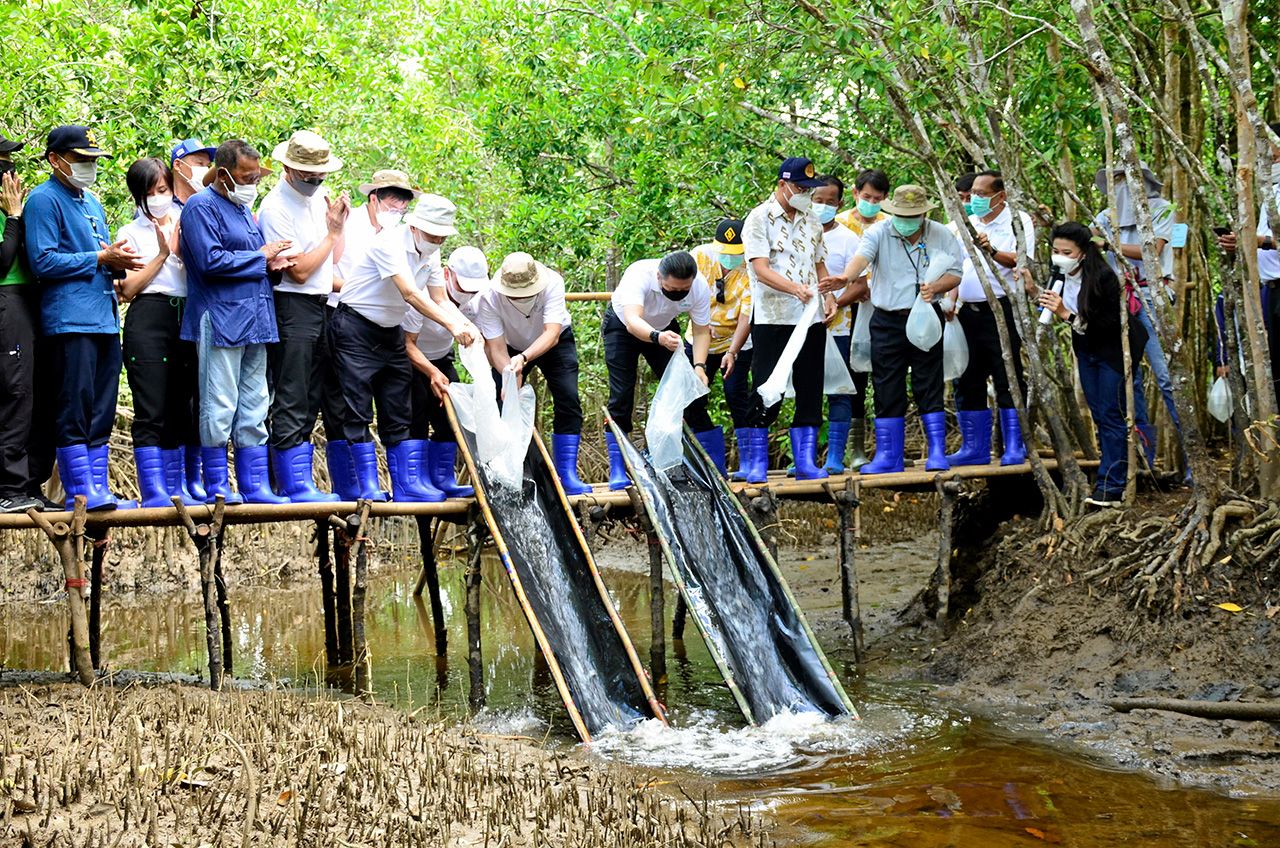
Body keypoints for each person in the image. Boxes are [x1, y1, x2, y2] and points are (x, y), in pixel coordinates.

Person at [25, 125, 144, 510]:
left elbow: (101, 255)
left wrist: (117, 261)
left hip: (104, 319)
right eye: (81, 160)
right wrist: (98, 258)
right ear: (55, 160)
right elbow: (41, 260)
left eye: (93, 160)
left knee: (102, 407)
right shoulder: (44, 200)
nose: (89, 166)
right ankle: (80, 492)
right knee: (74, 405)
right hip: (69, 320)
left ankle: (98, 489)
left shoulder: (90, 201)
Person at [330, 195, 477, 502]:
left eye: (441, 236)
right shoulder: (390, 242)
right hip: (355, 326)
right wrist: (452, 327)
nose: (436, 240)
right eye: (431, 234)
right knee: (357, 408)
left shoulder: (432, 254)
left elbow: (439, 298)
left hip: (390, 332)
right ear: (414, 227)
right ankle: (367, 486)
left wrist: (466, 324)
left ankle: (407, 484)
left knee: (399, 408)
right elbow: (410, 293)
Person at [180, 139, 294, 505]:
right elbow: (210, 261)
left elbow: (253, 262)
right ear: (225, 174)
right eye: (246, 177)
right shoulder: (200, 207)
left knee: (256, 403)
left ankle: (255, 485)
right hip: (220, 319)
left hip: (257, 320)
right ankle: (217, 486)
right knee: (220, 403)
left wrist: (273, 266)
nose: (253, 183)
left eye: (256, 177)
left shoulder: (245, 210)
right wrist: (261, 257)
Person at [824, 184, 963, 475]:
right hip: (887, 319)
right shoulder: (879, 232)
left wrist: (935, 287)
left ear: (924, 214)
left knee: (929, 381)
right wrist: (844, 278)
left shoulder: (941, 234)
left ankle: (937, 451)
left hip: (926, 315)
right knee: (887, 385)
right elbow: (861, 259)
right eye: (901, 214)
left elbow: (955, 273)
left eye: (913, 215)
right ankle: (889, 455)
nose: (906, 220)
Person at [258, 130, 348, 503]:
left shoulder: (315, 202)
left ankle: (298, 477)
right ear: (287, 168)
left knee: (312, 393)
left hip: (319, 305)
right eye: (309, 175)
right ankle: (290, 483)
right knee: (292, 392)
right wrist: (332, 234)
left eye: (320, 176)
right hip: (290, 305)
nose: (315, 182)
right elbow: (297, 271)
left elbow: (332, 261)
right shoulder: (275, 207)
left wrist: (335, 224)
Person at [1036, 222, 1151, 507]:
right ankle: (1110, 477)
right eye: (1055, 250)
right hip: (1086, 350)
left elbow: (1107, 325)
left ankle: (1112, 486)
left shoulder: (1102, 278)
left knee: (1113, 413)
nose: (1059, 256)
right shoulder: (1058, 275)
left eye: (1066, 252)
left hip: (1113, 349)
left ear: (1083, 253)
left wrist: (1065, 314)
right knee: (1099, 414)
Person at [742, 156, 837, 483]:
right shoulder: (759, 218)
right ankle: (757, 462)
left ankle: (806, 461)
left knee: (811, 385)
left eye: (809, 188)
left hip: (810, 317)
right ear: (782, 184)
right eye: (800, 187)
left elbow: (819, 263)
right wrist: (794, 288)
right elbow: (760, 268)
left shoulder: (812, 221)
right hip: (772, 316)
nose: (805, 194)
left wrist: (828, 295)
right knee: (767, 384)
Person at [326, 169, 420, 498]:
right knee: (350, 406)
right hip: (343, 316)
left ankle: (404, 485)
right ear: (374, 198)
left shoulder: (404, 236)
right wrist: (359, 288)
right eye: (392, 200)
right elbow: (326, 273)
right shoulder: (349, 225)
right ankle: (358, 485)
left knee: (396, 405)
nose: (398, 207)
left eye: (403, 201)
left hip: (388, 326)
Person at [116, 157, 201, 507]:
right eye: (150, 193)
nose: (158, 198)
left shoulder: (187, 220)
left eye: (163, 189)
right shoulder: (129, 233)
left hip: (188, 318)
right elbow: (127, 289)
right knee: (151, 407)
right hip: (148, 318)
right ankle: (154, 491)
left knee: (187, 406)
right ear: (138, 196)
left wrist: (181, 249)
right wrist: (163, 254)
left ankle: (180, 485)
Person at [480, 252, 593, 493]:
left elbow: (551, 333)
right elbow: (496, 347)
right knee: (503, 398)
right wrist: (509, 372)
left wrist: (523, 358)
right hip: (510, 347)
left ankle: (566, 474)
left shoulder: (553, 282)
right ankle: (506, 471)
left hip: (554, 342)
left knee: (568, 397)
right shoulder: (488, 297)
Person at [601, 252, 713, 485]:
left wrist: (700, 367)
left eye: (684, 290)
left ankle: (701, 465)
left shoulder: (700, 286)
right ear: (659, 277)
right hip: (623, 328)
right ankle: (619, 469)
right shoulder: (638, 274)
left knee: (689, 391)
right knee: (621, 396)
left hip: (663, 328)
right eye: (671, 289)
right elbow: (633, 321)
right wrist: (657, 337)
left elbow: (702, 331)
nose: (678, 294)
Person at [946, 169, 1032, 467]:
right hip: (967, 313)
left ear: (1001, 195)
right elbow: (955, 268)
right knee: (967, 377)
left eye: (982, 195)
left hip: (1002, 309)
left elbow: (1021, 260)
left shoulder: (1017, 221)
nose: (976, 200)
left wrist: (991, 250)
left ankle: (1014, 446)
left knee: (1007, 374)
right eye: (973, 195)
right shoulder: (964, 224)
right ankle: (974, 447)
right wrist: (949, 303)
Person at [1092, 162, 1181, 436]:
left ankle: (1193, 459)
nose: (1120, 184)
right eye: (1115, 179)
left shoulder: (1161, 209)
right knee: (1130, 380)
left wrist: (1108, 244)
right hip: (1115, 299)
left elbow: (1152, 251)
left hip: (1150, 295)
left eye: (1125, 178)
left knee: (1166, 377)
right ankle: (1145, 458)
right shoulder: (1104, 217)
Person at [403, 245, 488, 497]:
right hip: (413, 360)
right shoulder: (422, 297)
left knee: (452, 418)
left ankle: (443, 477)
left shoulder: (478, 299)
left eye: (474, 288)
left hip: (443, 358)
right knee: (415, 418)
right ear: (447, 275)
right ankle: (416, 481)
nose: (468, 293)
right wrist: (430, 372)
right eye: (464, 287)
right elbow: (407, 344)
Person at [0, 135, 54, 512]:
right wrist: (15, 217)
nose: (10, 169)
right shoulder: (8, 212)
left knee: (36, 393)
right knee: (15, 392)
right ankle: (9, 488)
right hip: (6, 300)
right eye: (4, 160)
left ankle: (30, 484)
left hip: (29, 302)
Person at [1215, 121, 1280, 401]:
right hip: (1269, 290)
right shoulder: (1270, 193)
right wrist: (1240, 245)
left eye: (1273, 149)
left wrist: (1259, 241)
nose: (1267, 154)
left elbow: (1266, 240)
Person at [833, 168, 891, 470]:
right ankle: (852, 450)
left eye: (877, 199)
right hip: (845, 309)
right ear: (856, 194)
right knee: (852, 377)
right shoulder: (839, 223)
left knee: (885, 374)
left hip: (881, 308)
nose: (871, 202)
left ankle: (886, 447)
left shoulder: (889, 223)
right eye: (866, 197)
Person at [688, 219, 753, 478]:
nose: (729, 259)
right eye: (724, 253)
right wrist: (702, 324)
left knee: (736, 393)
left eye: (735, 254)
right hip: (699, 338)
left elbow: (747, 316)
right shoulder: (700, 257)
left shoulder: (751, 268)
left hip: (736, 341)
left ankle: (748, 462)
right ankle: (709, 464)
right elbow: (684, 296)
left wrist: (732, 352)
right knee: (692, 397)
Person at [812, 174, 863, 474]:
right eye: (818, 201)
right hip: (803, 327)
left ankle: (835, 458)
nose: (823, 207)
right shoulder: (799, 233)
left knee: (840, 391)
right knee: (807, 391)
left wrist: (836, 304)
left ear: (840, 203)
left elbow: (860, 285)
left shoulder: (848, 238)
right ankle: (803, 458)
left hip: (839, 327)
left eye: (830, 202)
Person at [169, 138, 216, 209]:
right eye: (200, 163)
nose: (206, 169)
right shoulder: (162, 204)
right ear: (177, 165)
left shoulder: (211, 205)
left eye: (208, 166)